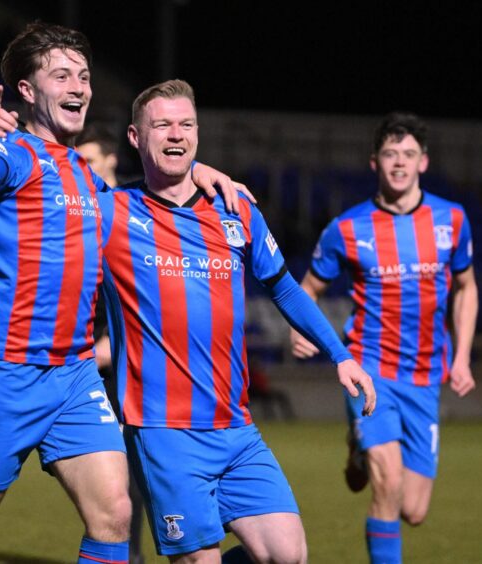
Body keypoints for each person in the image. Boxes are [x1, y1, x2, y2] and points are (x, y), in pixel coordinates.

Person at [0, 22, 247, 564]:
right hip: (5, 371)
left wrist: (195, 172)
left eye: (83, 75)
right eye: (62, 76)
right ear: (27, 91)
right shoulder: (14, 155)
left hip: (74, 374)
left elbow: (148, 202)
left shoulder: (84, 175)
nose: (79, 86)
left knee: (114, 513)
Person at [98, 79, 377, 563]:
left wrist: (340, 355)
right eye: (162, 125)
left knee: (287, 555)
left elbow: (284, 286)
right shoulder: (111, 212)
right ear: (135, 137)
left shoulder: (235, 207)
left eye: (186, 124)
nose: (176, 134)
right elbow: (46, 196)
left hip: (235, 427)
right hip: (164, 431)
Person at [289, 112, 478, 564]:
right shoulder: (347, 228)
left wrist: (462, 357)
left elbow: (467, 287)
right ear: (374, 162)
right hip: (369, 369)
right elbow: (307, 289)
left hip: (425, 376)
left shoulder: (451, 219)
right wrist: (300, 328)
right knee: (388, 483)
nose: (399, 163)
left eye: (408, 154)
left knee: (413, 509)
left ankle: (357, 451)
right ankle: (368, 446)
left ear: (423, 162)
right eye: (390, 154)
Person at [78, 122, 147, 564]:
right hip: (88, 361)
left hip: (129, 360)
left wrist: (113, 341)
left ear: (111, 160)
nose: (82, 169)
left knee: (132, 468)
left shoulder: (132, 208)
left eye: (89, 161)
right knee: (112, 471)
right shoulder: (77, 212)